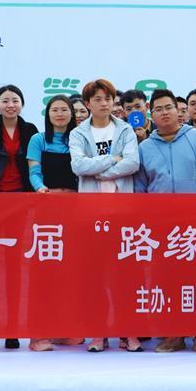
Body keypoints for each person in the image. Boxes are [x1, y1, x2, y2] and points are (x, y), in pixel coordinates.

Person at [135, 89, 196, 355]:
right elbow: (140, 188)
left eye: (168, 107)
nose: (164, 113)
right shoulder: (144, 148)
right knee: (166, 280)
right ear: (151, 114)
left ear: (178, 110)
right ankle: (172, 334)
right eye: (158, 109)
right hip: (162, 226)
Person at [69, 78, 141, 352]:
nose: (104, 103)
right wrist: (112, 159)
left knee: (125, 276)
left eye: (108, 98)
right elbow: (79, 166)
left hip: (122, 211)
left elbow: (132, 162)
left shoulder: (124, 129)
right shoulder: (79, 133)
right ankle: (99, 332)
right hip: (91, 214)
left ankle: (127, 332)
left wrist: (98, 170)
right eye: (98, 99)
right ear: (88, 104)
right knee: (96, 276)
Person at [25, 95, 82, 352]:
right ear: (47, 114)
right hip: (47, 208)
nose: (59, 113)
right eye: (55, 109)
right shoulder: (38, 139)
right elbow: (34, 172)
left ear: (72, 114)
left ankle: (65, 330)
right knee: (45, 272)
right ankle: (39, 334)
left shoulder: (79, 139)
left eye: (64, 109)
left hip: (75, 210)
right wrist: (41, 189)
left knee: (70, 272)